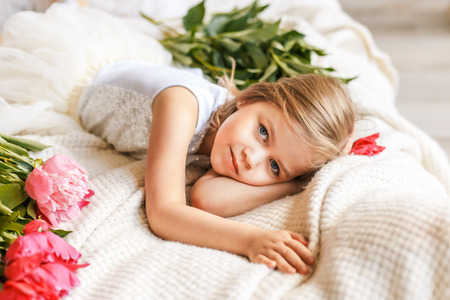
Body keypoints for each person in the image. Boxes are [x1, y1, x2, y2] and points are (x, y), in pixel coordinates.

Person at [78, 59, 355, 274]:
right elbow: (163, 213)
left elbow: (206, 199)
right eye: (263, 132)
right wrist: (250, 240)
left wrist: (296, 182)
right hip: (91, 81)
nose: (251, 158)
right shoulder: (181, 104)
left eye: (273, 166)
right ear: (249, 99)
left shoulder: (230, 138)